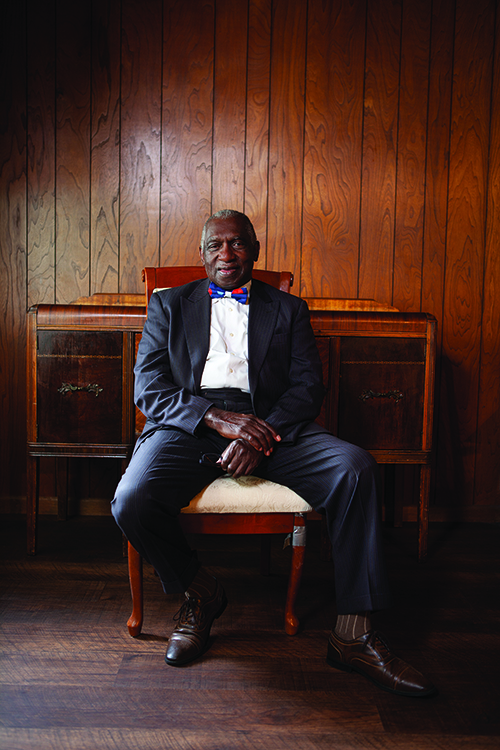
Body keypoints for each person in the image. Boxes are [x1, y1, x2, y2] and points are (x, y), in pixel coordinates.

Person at [112, 209, 436, 697]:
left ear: (255, 250)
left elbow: (309, 386)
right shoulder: (169, 306)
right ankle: (201, 591)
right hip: (189, 425)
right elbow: (149, 387)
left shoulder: (288, 309)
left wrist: (256, 433)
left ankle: (354, 636)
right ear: (202, 255)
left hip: (272, 425)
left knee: (355, 469)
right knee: (131, 499)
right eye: (215, 245)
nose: (227, 254)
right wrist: (216, 419)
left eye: (238, 243)